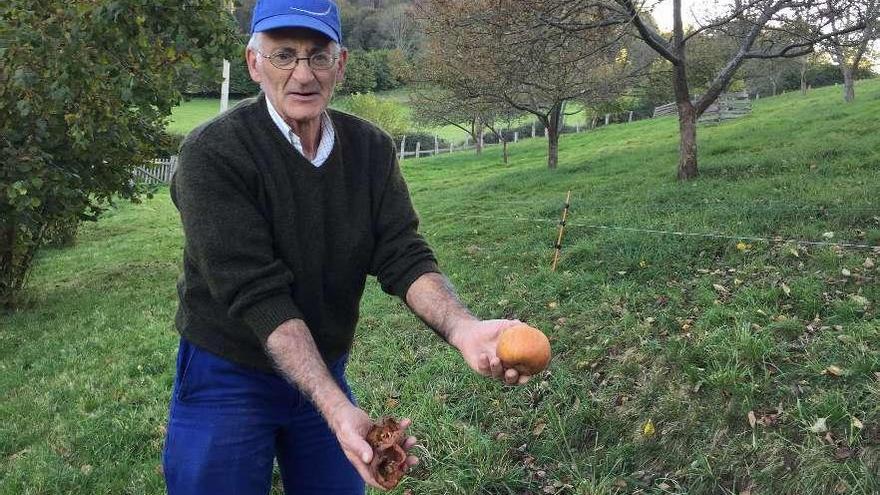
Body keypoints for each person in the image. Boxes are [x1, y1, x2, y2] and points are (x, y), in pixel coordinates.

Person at [162, 0, 532, 493]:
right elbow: (257, 294)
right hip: (228, 374)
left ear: (341, 64)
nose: (303, 73)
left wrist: (465, 330)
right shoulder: (214, 154)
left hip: (324, 365)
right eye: (284, 54)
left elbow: (402, 253)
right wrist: (338, 409)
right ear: (254, 63)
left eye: (318, 55)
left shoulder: (370, 149)